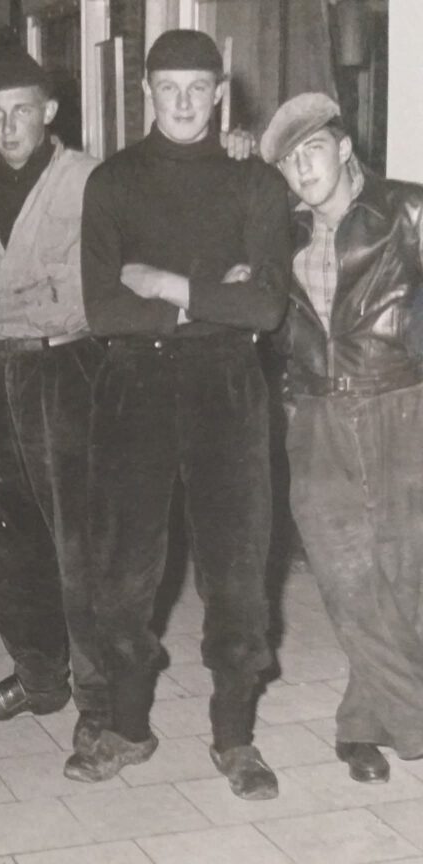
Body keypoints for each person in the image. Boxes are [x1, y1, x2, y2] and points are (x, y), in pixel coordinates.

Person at [79, 29, 291, 799]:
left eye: (198, 88)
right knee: (120, 572)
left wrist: (167, 285)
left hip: (226, 388)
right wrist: (211, 299)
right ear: (145, 92)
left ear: (219, 94)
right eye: (168, 88)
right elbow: (103, 310)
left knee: (238, 571)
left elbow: (265, 308)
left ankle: (235, 738)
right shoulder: (111, 182)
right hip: (132, 386)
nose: (183, 102)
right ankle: (128, 726)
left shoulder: (256, 182)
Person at [0, 44, 108, 739]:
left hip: (66, 367)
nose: (8, 126)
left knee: (82, 541)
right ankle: (39, 678)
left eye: (21, 111)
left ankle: (101, 700)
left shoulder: (89, 181)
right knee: (7, 543)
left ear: (50, 112)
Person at [261, 93, 423, 784]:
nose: (304, 168)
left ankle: (362, 723)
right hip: (317, 416)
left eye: (314, 150)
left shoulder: (407, 210)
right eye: (290, 161)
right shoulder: (280, 235)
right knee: (345, 577)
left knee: (402, 576)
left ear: (345, 147)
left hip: (400, 404)